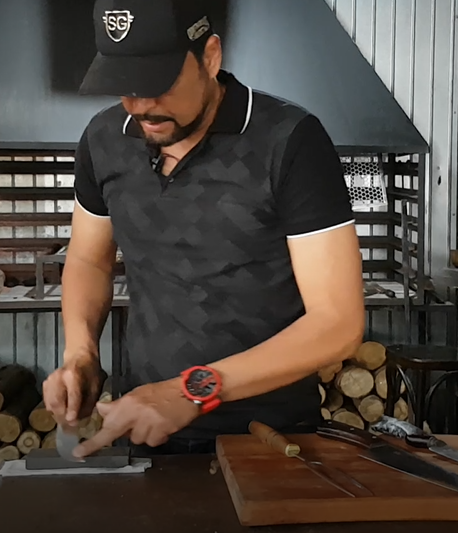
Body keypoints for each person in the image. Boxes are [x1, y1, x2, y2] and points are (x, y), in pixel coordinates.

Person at [42, 0, 364, 457]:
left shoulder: (290, 141)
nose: (142, 105)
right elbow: (88, 260)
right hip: (146, 427)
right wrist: (81, 352)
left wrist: (191, 391)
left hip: (271, 437)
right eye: (124, 85)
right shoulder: (103, 139)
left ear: (210, 57)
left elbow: (338, 323)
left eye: (159, 82)